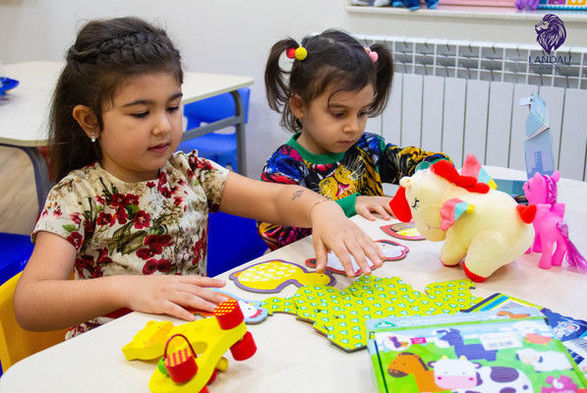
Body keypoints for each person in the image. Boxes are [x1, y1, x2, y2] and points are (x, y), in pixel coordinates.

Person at [14, 18, 384, 338]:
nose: (164, 125)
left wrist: (323, 210)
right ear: (90, 121)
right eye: (141, 113)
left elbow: (273, 200)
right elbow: (31, 303)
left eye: (173, 107)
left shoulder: (190, 173)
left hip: (186, 337)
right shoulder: (77, 196)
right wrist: (129, 289)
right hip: (109, 350)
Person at [257, 30, 449, 250]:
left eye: (362, 113)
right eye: (339, 114)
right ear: (299, 106)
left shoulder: (368, 148)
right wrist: (349, 205)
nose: (353, 127)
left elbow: (420, 162)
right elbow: (274, 232)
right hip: (308, 271)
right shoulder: (284, 165)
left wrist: (436, 173)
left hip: (366, 263)